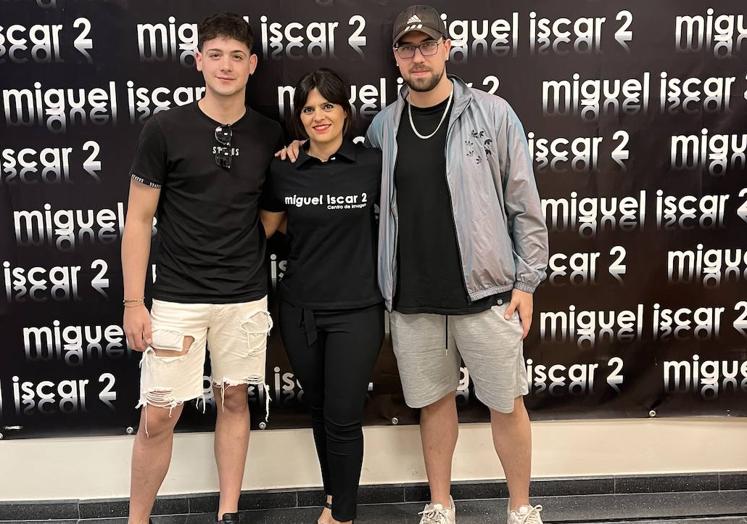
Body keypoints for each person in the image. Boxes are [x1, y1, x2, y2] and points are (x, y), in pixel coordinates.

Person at [367, 5, 549, 523]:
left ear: (447, 49)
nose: (418, 56)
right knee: (433, 403)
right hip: (413, 297)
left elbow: (524, 202)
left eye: (428, 46)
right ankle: (440, 504)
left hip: (487, 291)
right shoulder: (384, 127)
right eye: (407, 48)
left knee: (506, 402)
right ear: (396, 58)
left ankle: (520, 507)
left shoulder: (492, 114)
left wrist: (527, 280)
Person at [121, 13, 282, 524]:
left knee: (234, 400)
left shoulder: (269, 133)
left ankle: (227, 513)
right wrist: (132, 302)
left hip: (244, 296)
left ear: (252, 64)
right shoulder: (164, 128)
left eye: (237, 55)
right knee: (157, 416)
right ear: (198, 62)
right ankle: (137, 519)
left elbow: (269, 217)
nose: (226, 65)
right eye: (215, 54)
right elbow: (139, 220)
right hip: (176, 299)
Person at [260, 68, 384, 524]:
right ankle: (333, 501)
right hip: (300, 310)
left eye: (327, 106)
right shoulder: (284, 166)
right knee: (319, 411)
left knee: (343, 416)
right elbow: (267, 230)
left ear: (345, 111)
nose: (318, 116)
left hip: (358, 310)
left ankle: (343, 514)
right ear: (299, 118)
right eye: (308, 109)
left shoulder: (372, 163)